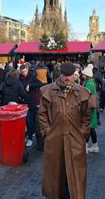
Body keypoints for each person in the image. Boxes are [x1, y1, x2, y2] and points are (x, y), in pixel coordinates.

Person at [39, 62, 91, 199]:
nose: (67, 78)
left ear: (75, 76)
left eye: (69, 75)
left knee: (75, 173)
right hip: (54, 139)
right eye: (64, 75)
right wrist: (47, 131)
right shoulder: (48, 91)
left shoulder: (82, 92)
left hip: (75, 139)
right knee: (55, 172)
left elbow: (87, 115)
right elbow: (42, 114)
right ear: (60, 75)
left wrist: (83, 133)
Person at [19, 64, 43, 147]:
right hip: (22, 102)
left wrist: (30, 85)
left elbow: (40, 84)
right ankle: (26, 135)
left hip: (30, 101)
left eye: (25, 72)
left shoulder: (32, 77)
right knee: (24, 121)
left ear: (27, 70)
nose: (24, 73)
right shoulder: (19, 78)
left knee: (30, 120)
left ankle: (30, 137)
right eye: (22, 72)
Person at [82, 65, 98, 153]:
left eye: (84, 75)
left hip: (89, 108)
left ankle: (85, 146)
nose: (82, 76)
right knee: (92, 128)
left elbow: (85, 96)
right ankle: (95, 146)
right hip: (93, 107)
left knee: (88, 128)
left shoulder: (88, 84)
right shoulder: (92, 82)